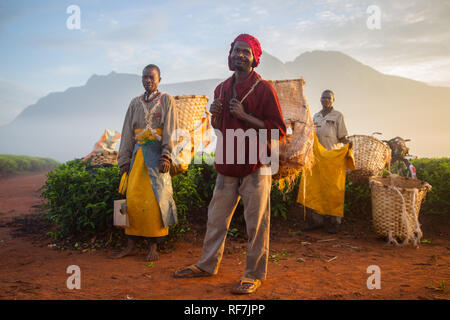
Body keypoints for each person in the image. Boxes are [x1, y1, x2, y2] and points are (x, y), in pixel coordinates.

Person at [173, 34, 286, 295]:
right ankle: (206, 265)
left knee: (256, 224)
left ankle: (253, 274)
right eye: (237, 51)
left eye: (246, 52)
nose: (240, 55)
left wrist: (245, 116)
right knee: (215, 219)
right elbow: (217, 127)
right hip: (226, 163)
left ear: (255, 58)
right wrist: (215, 115)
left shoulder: (264, 89)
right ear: (230, 54)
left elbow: (278, 131)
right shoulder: (221, 88)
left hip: (256, 165)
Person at [110, 64, 178, 261]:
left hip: (157, 159)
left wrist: (167, 155)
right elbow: (127, 133)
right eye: (145, 77)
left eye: (151, 77)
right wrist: (123, 159)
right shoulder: (134, 103)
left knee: (155, 201)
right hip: (137, 158)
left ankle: (153, 246)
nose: (148, 80)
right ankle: (130, 244)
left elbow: (171, 129)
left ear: (159, 79)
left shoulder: (167, 100)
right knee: (133, 200)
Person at [301, 89, 351, 234]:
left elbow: (342, 137)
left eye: (329, 98)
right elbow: (310, 136)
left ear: (333, 100)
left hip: (331, 159)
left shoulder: (338, 116)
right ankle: (317, 222)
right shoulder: (315, 116)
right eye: (323, 97)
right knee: (316, 189)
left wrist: (349, 144)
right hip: (316, 159)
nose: (326, 100)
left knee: (333, 189)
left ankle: (335, 222)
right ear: (320, 99)